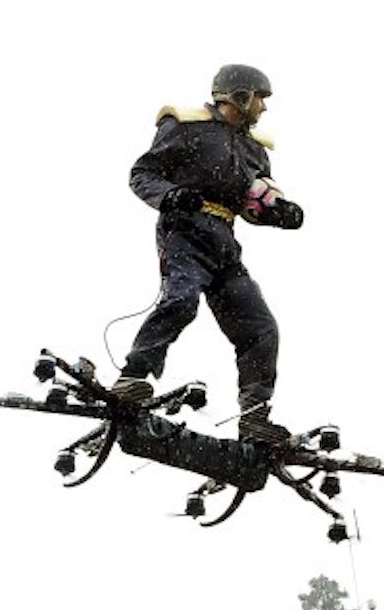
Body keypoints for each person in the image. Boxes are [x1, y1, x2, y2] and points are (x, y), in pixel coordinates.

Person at [111, 63, 306, 444]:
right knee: (181, 300)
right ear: (240, 95)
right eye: (260, 98)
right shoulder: (186, 127)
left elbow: (254, 203)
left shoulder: (254, 150)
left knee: (259, 327)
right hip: (185, 231)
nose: (264, 108)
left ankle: (254, 417)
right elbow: (142, 173)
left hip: (224, 243)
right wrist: (170, 196)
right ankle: (132, 378)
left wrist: (279, 213)